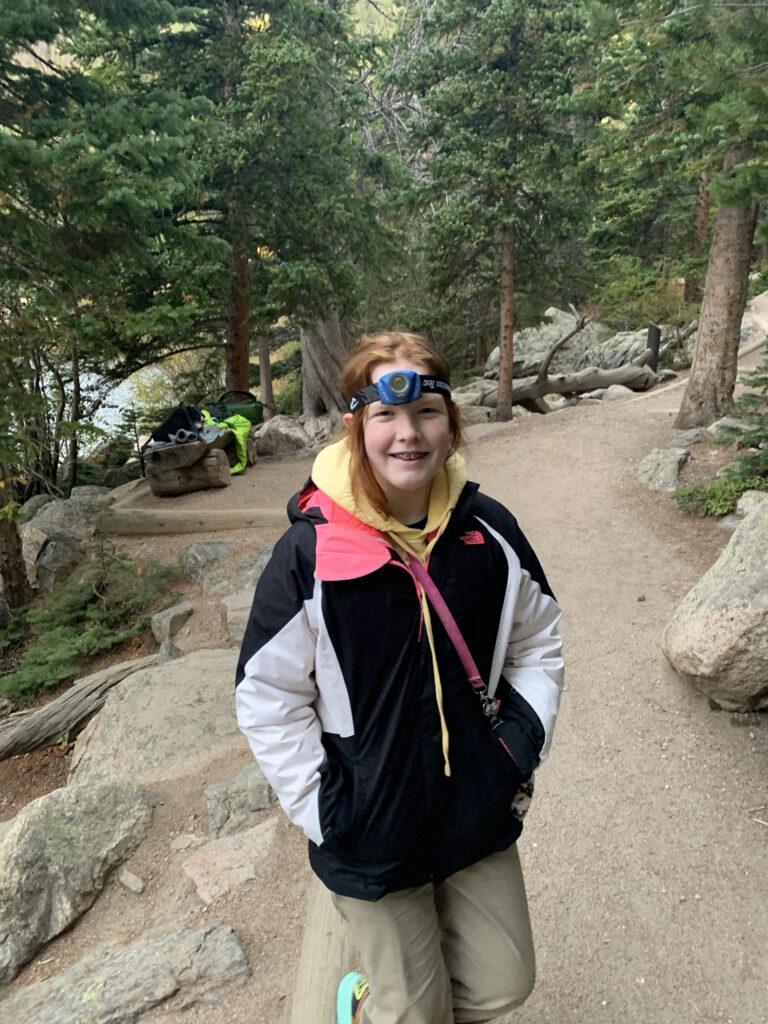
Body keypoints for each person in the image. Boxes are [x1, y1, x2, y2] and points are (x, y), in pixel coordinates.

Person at [235, 332, 564, 1024]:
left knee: (506, 982)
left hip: (475, 809)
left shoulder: (488, 532)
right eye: (385, 417)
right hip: (370, 834)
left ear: (452, 425)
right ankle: (377, 1002)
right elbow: (269, 697)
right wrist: (326, 808)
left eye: (427, 414)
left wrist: (518, 744)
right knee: (413, 1011)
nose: (407, 435)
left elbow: (538, 641)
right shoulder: (311, 552)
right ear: (357, 428)